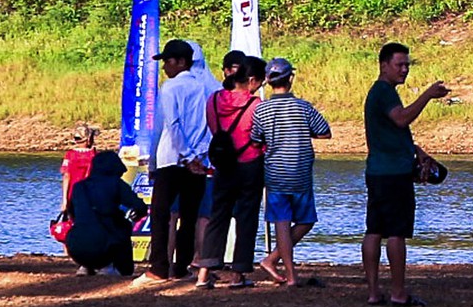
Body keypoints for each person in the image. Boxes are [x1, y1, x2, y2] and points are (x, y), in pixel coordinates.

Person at [363, 41, 449, 307]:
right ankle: (398, 293)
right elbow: (401, 119)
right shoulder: (384, 92)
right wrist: (427, 95)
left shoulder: (379, 93)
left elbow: (390, 131)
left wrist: (418, 150)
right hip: (393, 174)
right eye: (399, 65)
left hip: (378, 171)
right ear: (383, 65)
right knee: (396, 233)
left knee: (374, 230)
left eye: (407, 65)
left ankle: (374, 292)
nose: (404, 70)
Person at [250, 57, 330, 287]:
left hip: (275, 171)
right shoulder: (303, 107)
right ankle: (284, 270)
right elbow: (324, 132)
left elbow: (256, 139)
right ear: (291, 79)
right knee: (306, 221)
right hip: (301, 171)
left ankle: (277, 263)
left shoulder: (262, 109)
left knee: (281, 222)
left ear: (268, 80)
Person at [140, 38, 214, 285]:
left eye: (168, 62)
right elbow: (209, 127)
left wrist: (184, 155)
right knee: (189, 215)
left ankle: (160, 268)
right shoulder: (206, 88)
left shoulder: (170, 87)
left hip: (172, 159)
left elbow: (170, 125)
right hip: (198, 161)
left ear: (181, 62)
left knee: (161, 214)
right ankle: (181, 267)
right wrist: (199, 156)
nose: (165, 68)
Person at [199, 50, 267, 289]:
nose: (261, 87)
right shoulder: (256, 104)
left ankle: (204, 272)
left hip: (223, 165)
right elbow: (259, 137)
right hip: (250, 163)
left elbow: (213, 128)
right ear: (251, 81)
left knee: (218, 216)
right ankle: (238, 274)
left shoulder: (214, 100)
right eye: (261, 82)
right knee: (247, 219)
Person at [62, 149, 147, 278]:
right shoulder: (115, 183)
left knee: (89, 227)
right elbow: (139, 206)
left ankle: (85, 266)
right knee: (122, 225)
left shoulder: (79, 187)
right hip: (104, 244)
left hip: (76, 247)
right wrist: (137, 214)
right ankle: (110, 265)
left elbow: (72, 212)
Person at [56, 124, 98, 238]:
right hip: (90, 195)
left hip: (73, 195)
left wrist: (64, 200)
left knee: (70, 225)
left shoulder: (70, 155)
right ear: (89, 139)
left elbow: (66, 176)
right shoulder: (94, 155)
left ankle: (70, 252)